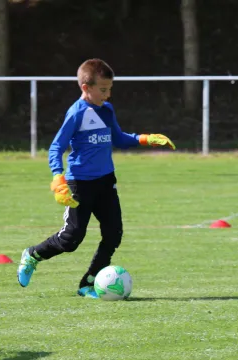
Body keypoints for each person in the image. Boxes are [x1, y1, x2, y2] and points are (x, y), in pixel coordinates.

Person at [17, 58, 176, 298]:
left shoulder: (107, 110)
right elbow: (55, 148)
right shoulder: (76, 113)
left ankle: (88, 283)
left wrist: (145, 138)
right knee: (71, 239)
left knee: (113, 234)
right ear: (85, 88)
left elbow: (119, 139)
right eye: (103, 90)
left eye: (110, 89)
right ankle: (32, 255)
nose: (108, 95)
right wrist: (57, 179)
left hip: (105, 181)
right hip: (80, 183)